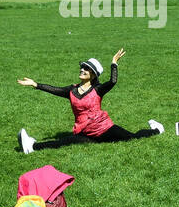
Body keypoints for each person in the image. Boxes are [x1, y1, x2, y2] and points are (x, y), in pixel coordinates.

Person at [16, 48, 164, 152]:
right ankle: (32, 147)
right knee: (64, 142)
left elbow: (112, 81)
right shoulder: (72, 90)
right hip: (84, 132)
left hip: (103, 128)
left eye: (86, 69)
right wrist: (35, 84)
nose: (82, 69)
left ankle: (157, 130)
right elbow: (55, 89)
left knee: (132, 138)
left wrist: (114, 62)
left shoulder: (97, 89)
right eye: (82, 67)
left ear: (93, 75)